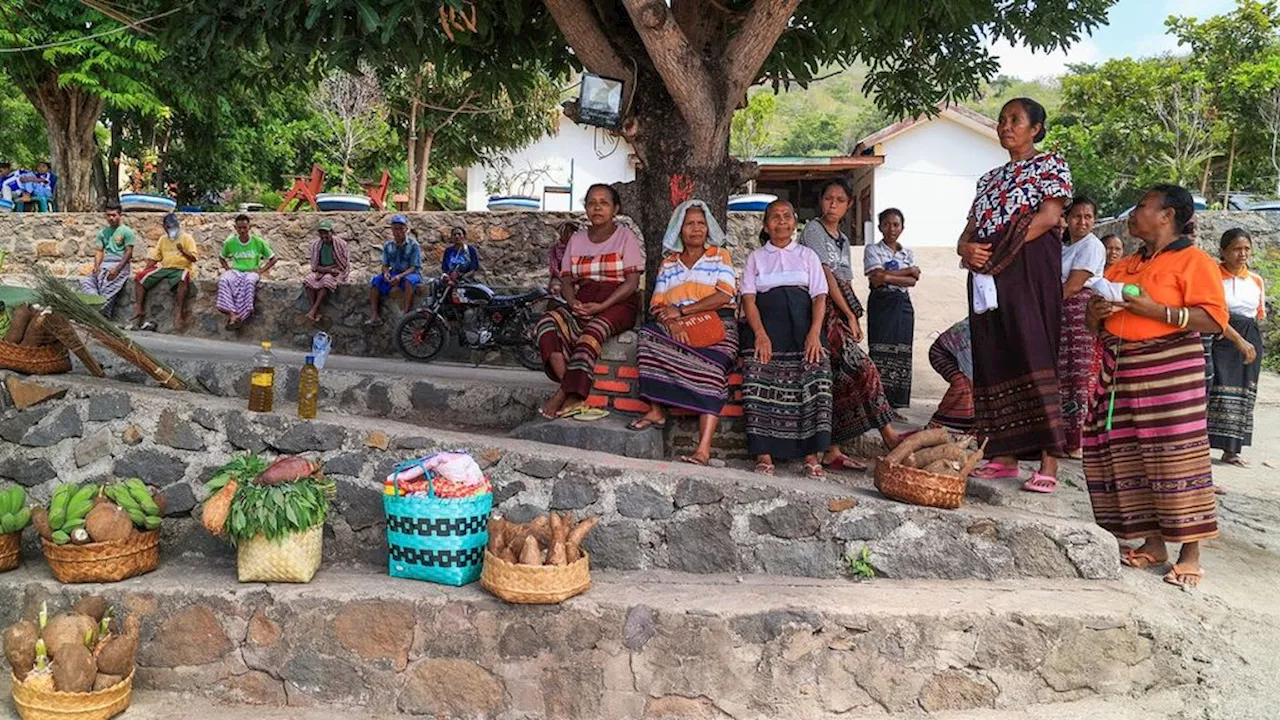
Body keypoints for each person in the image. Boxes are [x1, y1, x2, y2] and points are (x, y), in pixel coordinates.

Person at [1083, 183, 1225, 589]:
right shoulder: (1124, 265)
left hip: (1170, 372)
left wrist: (1156, 310)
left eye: (1142, 206)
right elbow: (1093, 326)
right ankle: (1154, 542)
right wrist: (1096, 312)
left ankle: (1191, 553)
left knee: (1177, 458)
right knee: (1131, 457)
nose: (1133, 213)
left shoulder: (1194, 261)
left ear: (1167, 215)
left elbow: (1213, 320)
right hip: (1122, 370)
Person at [957, 97, 1071, 491]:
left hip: (1028, 271)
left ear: (1036, 128)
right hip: (987, 276)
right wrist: (966, 249)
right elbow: (969, 230)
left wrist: (998, 252)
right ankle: (1003, 455)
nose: (1006, 126)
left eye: (1015, 120)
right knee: (993, 355)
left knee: (1034, 350)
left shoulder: (1050, 166)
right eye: (1002, 120)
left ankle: (1049, 463)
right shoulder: (988, 179)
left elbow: (1049, 218)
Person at [799, 179, 901, 472]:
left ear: (849, 204)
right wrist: (850, 315)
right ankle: (888, 434)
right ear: (821, 201)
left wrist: (851, 314)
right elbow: (826, 275)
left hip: (841, 310)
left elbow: (847, 278)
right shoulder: (814, 230)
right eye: (828, 198)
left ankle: (833, 449)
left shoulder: (842, 238)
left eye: (839, 200)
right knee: (862, 366)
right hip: (822, 308)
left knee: (838, 379)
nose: (833, 204)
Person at [631, 200, 739, 466]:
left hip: (718, 325)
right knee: (647, 336)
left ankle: (703, 449)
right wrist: (674, 322)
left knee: (713, 368)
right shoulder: (669, 264)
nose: (696, 229)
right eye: (689, 223)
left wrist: (683, 312)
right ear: (679, 229)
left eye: (701, 223)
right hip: (678, 327)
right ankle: (656, 410)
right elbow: (658, 304)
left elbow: (724, 294)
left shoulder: (719, 255)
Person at [739, 199, 835, 477]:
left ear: (795, 222)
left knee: (816, 377)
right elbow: (748, 298)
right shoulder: (756, 258)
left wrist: (814, 333)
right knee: (757, 379)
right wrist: (760, 335)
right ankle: (764, 455)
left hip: (804, 329)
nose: (781, 221)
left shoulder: (807, 255)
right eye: (774, 217)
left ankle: (811, 455)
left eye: (786, 216)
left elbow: (819, 296)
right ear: (765, 226)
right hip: (766, 330)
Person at [536, 184, 643, 420]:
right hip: (582, 300)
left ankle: (565, 394)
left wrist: (602, 307)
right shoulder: (577, 239)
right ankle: (569, 387)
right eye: (592, 202)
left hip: (618, 303)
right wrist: (573, 302)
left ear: (616, 208)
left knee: (591, 334)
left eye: (604, 202)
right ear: (585, 207)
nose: (597, 207)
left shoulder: (626, 237)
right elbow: (565, 279)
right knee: (547, 324)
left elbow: (632, 282)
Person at [1206, 228, 1265, 468]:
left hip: (1249, 336)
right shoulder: (1213, 277)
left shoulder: (1255, 280)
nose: (1242, 254)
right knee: (1215, 388)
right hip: (1221, 336)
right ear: (1223, 251)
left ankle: (1232, 450)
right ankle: (1202, 445)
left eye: (1246, 249)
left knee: (1242, 394)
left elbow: (1258, 315)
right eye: (1236, 249)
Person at [1058, 196, 1107, 461]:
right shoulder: (1064, 246)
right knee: (1059, 374)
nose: (1082, 222)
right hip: (1060, 312)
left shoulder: (1092, 246)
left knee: (1077, 374)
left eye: (1088, 217)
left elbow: (1074, 285)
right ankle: (1059, 436)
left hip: (1078, 312)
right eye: (1077, 216)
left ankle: (1075, 441)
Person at [863, 207, 919, 408]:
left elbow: (912, 282)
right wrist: (907, 271)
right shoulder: (872, 249)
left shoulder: (908, 252)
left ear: (902, 227)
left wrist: (886, 276)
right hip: (881, 303)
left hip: (903, 305)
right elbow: (876, 279)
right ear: (879, 227)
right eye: (886, 224)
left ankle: (895, 405)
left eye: (896, 224)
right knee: (880, 350)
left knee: (902, 352)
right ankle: (878, 405)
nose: (891, 228)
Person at [131, 213, 196, 331]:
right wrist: (145, 271)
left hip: (181, 268)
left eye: (173, 226)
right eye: (168, 227)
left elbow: (194, 258)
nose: (171, 229)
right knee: (140, 277)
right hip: (166, 268)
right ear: (165, 227)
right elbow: (155, 258)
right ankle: (139, 308)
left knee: (182, 279)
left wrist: (183, 251)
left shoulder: (187, 238)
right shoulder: (163, 239)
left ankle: (179, 312)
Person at [216, 214, 276, 328]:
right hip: (236, 271)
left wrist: (261, 271)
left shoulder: (258, 242)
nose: (242, 230)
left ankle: (243, 314)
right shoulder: (230, 242)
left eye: (245, 227)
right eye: (239, 228)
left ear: (250, 226)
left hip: (252, 271)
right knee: (224, 280)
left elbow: (273, 258)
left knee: (249, 282)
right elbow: (221, 257)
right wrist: (228, 269)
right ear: (235, 228)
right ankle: (232, 314)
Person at [80, 201, 136, 317]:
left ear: (120, 215)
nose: (111, 218)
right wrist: (96, 266)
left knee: (107, 284)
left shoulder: (126, 231)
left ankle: (103, 312)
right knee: (86, 282)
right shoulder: (103, 233)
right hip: (105, 263)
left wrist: (117, 269)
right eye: (108, 215)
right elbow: (99, 251)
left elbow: (128, 252)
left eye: (114, 215)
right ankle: (96, 304)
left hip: (119, 264)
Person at [367, 214, 422, 325]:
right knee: (375, 281)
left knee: (409, 281)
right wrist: (386, 273)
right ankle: (375, 316)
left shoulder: (413, 245)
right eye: (395, 229)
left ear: (406, 229)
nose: (398, 232)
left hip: (410, 273)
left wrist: (399, 276)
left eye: (401, 229)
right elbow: (385, 264)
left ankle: (406, 315)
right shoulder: (388, 245)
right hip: (394, 272)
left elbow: (414, 267)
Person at [927, 318, 974, 431]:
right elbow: (970, 371)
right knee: (962, 385)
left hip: (959, 355)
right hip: (942, 354)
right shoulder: (974, 332)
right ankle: (939, 424)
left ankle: (965, 424)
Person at [303, 219, 350, 324]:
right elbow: (314, 266)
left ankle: (313, 310)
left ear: (331, 232)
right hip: (321, 270)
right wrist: (325, 269)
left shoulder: (341, 244)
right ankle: (315, 310)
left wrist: (331, 270)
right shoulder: (316, 245)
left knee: (326, 280)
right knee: (309, 280)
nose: (324, 235)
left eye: (326, 233)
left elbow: (343, 264)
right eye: (321, 233)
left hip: (336, 271)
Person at [548, 221, 575, 294]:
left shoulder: (577, 248)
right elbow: (554, 266)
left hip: (574, 277)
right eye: (566, 232)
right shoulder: (555, 249)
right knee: (555, 288)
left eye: (570, 232)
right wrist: (562, 277)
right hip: (559, 277)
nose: (568, 234)